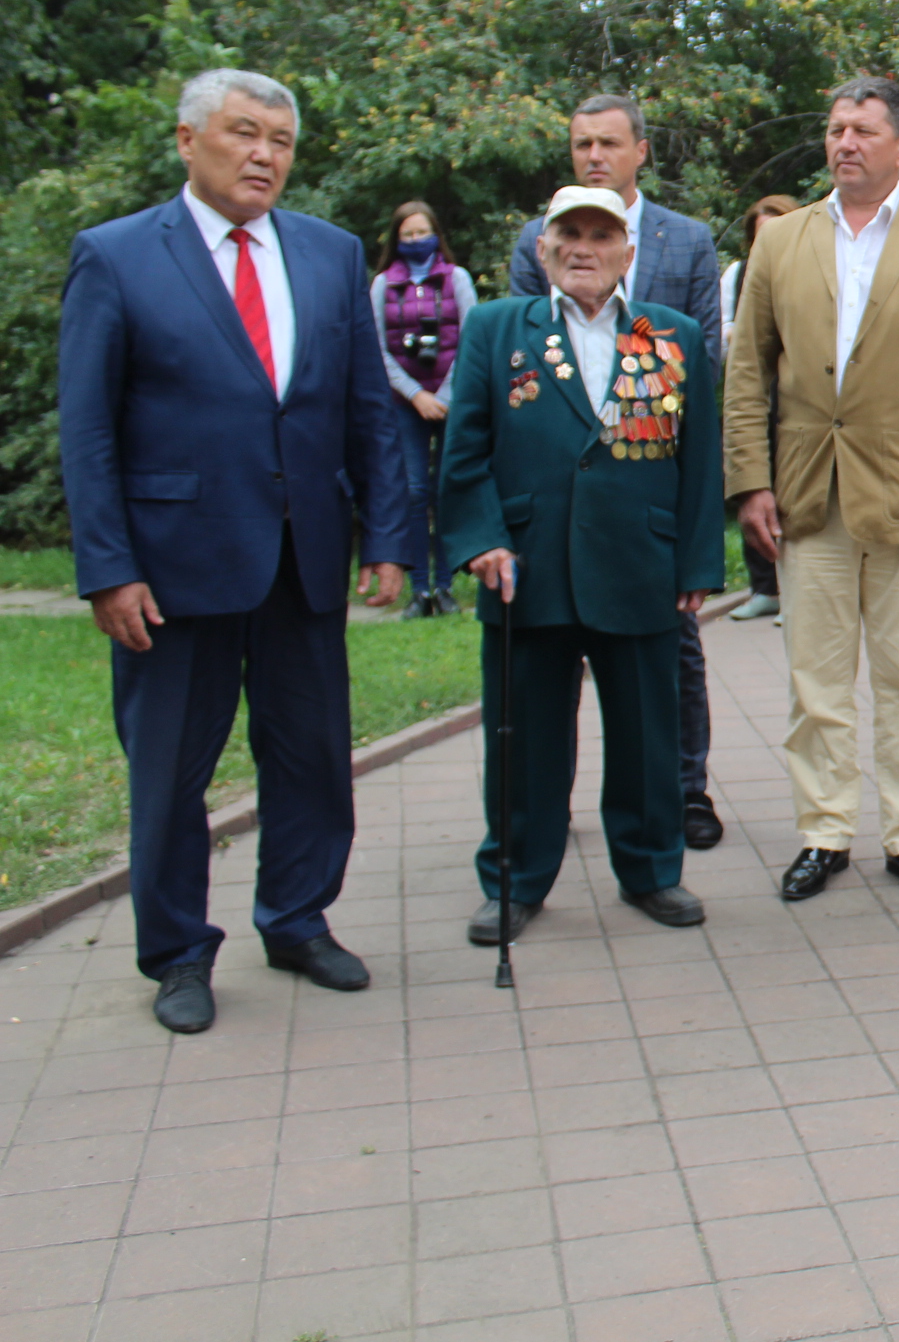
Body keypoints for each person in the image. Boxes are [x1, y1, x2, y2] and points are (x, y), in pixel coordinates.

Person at [58, 68, 409, 1034]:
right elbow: (87, 429)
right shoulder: (117, 256)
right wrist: (107, 567)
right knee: (171, 770)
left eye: (281, 141)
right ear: (188, 140)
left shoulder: (331, 254)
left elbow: (366, 407)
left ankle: (297, 920)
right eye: (244, 133)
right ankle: (177, 953)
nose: (264, 155)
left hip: (304, 559)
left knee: (311, 756)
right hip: (173, 568)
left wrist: (386, 532)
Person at [726, 78, 899, 904]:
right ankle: (824, 832)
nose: (844, 142)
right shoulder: (782, 242)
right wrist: (750, 481)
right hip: (806, 494)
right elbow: (747, 374)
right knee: (815, 681)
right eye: (836, 128)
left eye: (863, 130)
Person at [443, 185, 725, 945]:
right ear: (542, 248)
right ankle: (515, 880)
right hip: (526, 567)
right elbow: (463, 450)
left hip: (641, 563)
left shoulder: (670, 335)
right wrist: (481, 539)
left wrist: (697, 561)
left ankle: (652, 871)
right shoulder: (496, 328)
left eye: (602, 236)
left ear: (627, 252)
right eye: (568, 234)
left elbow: (699, 458)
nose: (583, 249)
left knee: (648, 735)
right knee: (525, 741)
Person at [508, 95, 730, 851]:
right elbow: (524, 359)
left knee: (673, 658)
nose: (594, 155)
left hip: (647, 492)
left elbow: (702, 360)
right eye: (581, 144)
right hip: (559, 499)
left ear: (641, 151)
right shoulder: (538, 237)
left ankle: (683, 791)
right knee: (550, 663)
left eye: (608, 142)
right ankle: (549, 808)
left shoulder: (685, 238)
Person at [372, 201, 477, 619]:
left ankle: (446, 585)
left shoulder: (457, 278)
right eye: (408, 234)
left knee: (446, 490)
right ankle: (419, 590)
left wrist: (446, 395)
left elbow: (472, 337)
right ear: (397, 239)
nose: (416, 240)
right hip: (405, 403)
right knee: (414, 492)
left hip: (452, 401)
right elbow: (376, 348)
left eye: (422, 232)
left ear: (436, 234)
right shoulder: (382, 284)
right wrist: (415, 394)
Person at [719, 193, 799, 623]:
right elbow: (724, 332)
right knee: (751, 484)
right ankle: (764, 588)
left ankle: (796, 591)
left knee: (795, 491)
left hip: (800, 399)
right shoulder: (737, 275)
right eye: (758, 236)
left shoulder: (812, 269)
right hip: (755, 397)